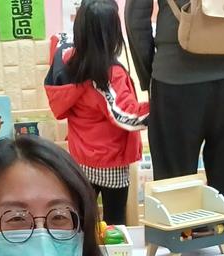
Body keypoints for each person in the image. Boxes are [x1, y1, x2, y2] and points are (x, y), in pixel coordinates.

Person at [125, 0, 224, 219]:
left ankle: (178, 239)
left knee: (175, 195)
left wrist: (151, 76)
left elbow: (135, 17)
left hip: (174, 78)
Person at [44, 0, 149, 224]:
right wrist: (160, 108)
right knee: (114, 224)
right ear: (112, 33)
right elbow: (127, 115)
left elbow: (57, 43)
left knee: (83, 221)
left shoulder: (67, 61)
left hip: (80, 160)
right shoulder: (109, 74)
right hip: (111, 161)